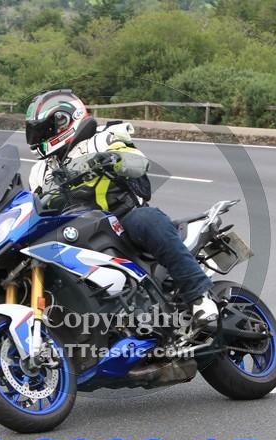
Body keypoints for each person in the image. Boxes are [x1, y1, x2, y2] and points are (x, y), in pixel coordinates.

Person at [25, 89, 218, 325]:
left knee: (147, 219)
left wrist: (112, 159)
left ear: (65, 121)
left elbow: (138, 163)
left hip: (121, 220)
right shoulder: (39, 171)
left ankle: (199, 295)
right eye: (35, 130)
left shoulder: (102, 139)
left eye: (45, 129)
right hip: (75, 232)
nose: (39, 136)